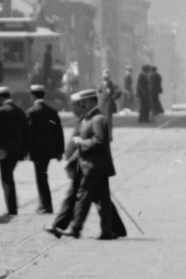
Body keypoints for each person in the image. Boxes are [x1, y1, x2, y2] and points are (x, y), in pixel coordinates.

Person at [56, 95, 128, 246]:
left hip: (94, 167)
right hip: (93, 166)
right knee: (103, 201)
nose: (83, 105)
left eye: (85, 102)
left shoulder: (98, 119)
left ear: (93, 102)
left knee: (83, 197)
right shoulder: (88, 119)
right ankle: (107, 231)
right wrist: (70, 160)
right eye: (81, 103)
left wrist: (81, 142)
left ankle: (75, 228)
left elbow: (100, 141)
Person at [21, 87, 64, 224]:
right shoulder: (52, 111)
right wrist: (59, 151)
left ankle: (46, 205)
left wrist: (25, 150)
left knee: (41, 177)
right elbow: (58, 131)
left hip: (37, 150)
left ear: (33, 96)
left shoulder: (31, 112)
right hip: (49, 150)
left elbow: (27, 133)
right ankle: (44, 204)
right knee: (43, 175)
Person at [0, 89, 28, 221]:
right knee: (9, 177)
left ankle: (12, 209)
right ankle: (13, 206)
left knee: (6, 179)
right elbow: (27, 131)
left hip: (3, 151)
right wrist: (26, 149)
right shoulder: (19, 110)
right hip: (17, 150)